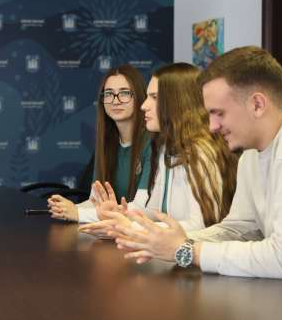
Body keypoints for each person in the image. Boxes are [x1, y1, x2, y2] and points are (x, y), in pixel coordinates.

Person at [108, 47, 282, 292]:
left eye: (219, 113)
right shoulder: (252, 153)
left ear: (257, 104)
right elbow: (239, 230)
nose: (212, 126)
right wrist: (168, 241)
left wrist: (188, 251)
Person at [81, 63, 237, 236]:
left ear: (178, 102)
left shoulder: (201, 152)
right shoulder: (166, 149)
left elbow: (202, 225)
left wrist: (130, 226)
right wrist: (120, 214)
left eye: (154, 97)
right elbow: (153, 210)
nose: (144, 106)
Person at [47, 65, 152, 223]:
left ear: (140, 98)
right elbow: (95, 202)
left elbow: (141, 209)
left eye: (124, 93)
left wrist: (77, 213)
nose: (115, 101)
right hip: (112, 230)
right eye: (109, 94)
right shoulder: (106, 144)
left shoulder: (152, 142)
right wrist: (67, 209)